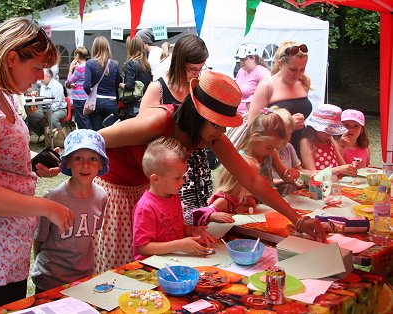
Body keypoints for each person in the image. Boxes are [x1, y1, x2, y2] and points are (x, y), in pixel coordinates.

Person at [93, 70, 326, 274]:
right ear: (198, 116)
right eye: (217, 123)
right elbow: (93, 141)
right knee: (124, 268)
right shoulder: (156, 122)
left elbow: (252, 179)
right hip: (116, 191)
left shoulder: (210, 134)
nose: (221, 130)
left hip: (147, 192)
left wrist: (298, 219)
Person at [0, 17, 74, 314]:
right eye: (36, 67)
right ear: (12, 58)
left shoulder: (5, 95)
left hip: (9, 245)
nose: (40, 76)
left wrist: (32, 165)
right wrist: (47, 207)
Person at [139, 34, 211, 226]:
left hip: (197, 166)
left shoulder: (199, 87)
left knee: (199, 221)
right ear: (178, 62)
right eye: (191, 69)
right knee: (171, 222)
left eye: (200, 69)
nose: (196, 74)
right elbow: (142, 133)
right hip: (169, 168)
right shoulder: (158, 89)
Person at [31, 129, 109, 292]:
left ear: (101, 164)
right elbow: (39, 240)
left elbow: (91, 235)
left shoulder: (102, 197)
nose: (85, 165)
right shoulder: (52, 199)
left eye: (93, 159)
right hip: (49, 280)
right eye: (78, 158)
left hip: (82, 278)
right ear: (67, 163)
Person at [133, 137, 216, 260]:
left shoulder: (173, 195)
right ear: (156, 179)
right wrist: (179, 245)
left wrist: (191, 231)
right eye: (177, 178)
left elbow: (173, 229)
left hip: (174, 259)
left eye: (183, 176)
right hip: (152, 265)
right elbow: (142, 247)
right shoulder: (145, 208)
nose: (183, 181)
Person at [246, 41, 312, 155]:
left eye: (302, 69)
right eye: (293, 69)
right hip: (274, 150)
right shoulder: (267, 86)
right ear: (280, 63)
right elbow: (253, 126)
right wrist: (288, 124)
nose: (298, 74)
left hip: (298, 147)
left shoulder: (303, 82)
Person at [192, 154, 260, 226]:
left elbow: (238, 208)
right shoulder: (223, 201)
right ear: (238, 182)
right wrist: (212, 216)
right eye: (253, 179)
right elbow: (199, 215)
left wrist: (248, 204)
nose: (257, 182)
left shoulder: (240, 196)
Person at [238, 108, 300, 188]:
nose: (272, 152)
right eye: (269, 147)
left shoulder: (271, 152)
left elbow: (284, 175)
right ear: (256, 138)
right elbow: (240, 190)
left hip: (267, 197)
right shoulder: (242, 159)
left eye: (275, 148)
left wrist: (289, 175)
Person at [300, 104, 357, 177]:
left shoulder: (330, 139)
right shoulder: (306, 142)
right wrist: (338, 170)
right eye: (326, 130)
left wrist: (349, 168)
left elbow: (341, 163)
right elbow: (312, 173)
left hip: (335, 183)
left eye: (332, 131)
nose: (329, 134)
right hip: (318, 186)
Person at [83, 36, 121, 131]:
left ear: (94, 48)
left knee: (97, 133)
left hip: (96, 102)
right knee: (112, 133)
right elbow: (118, 83)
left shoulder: (90, 63)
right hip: (111, 101)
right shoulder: (115, 64)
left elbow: (86, 86)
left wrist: (91, 94)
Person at [271, 107, 308, 196]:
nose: (287, 138)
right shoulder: (268, 151)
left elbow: (299, 171)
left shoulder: (289, 147)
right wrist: (287, 181)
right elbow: (266, 181)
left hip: (291, 197)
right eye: (283, 134)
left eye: (290, 133)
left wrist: (309, 177)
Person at [27, 68, 67, 137]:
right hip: (45, 109)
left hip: (60, 109)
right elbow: (42, 101)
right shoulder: (43, 85)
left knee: (52, 117)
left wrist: (46, 113)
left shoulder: (57, 86)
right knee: (31, 117)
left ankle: (60, 136)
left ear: (49, 77)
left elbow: (57, 104)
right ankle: (45, 135)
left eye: (42, 76)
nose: (40, 79)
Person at [119, 36, 152, 119]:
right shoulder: (146, 64)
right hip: (145, 103)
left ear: (130, 48)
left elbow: (129, 85)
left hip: (133, 104)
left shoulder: (131, 64)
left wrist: (120, 84)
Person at [234, 43, 271, 115]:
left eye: (244, 59)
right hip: (237, 114)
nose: (241, 61)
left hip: (252, 115)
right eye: (240, 59)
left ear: (253, 58)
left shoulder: (262, 72)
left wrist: (253, 100)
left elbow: (271, 87)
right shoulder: (241, 71)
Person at [66, 46, 90, 129]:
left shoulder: (79, 68)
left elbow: (69, 81)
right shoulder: (89, 65)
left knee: (81, 119)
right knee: (87, 117)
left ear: (78, 55)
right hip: (88, 95)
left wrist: (70, 69)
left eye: (75, 54)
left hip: (79, 97)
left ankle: (84, 136)